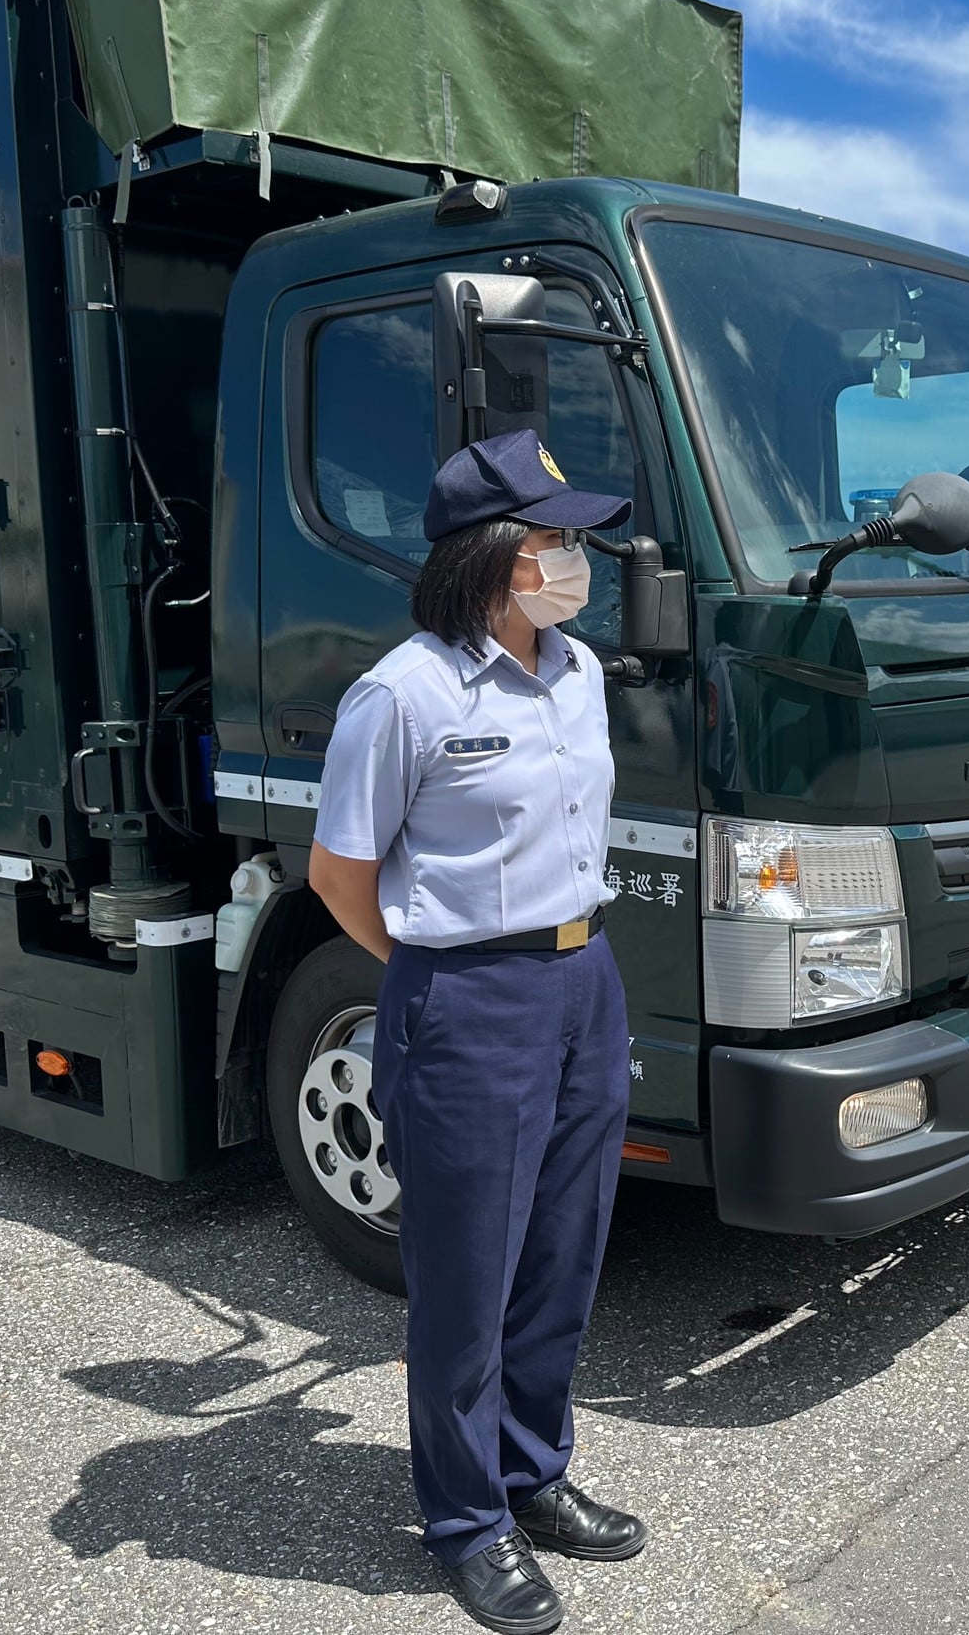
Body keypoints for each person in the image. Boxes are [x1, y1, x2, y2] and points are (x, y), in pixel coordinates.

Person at [308, 428, 645, 1635]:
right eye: (557, 539)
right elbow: (341, 870)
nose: (577, 557)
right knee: (466, 1278)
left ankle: (532, 1472)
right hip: (468, 998)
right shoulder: (405, 693)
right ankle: (466, 1520)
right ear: (497, 554)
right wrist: (433, 968)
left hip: (583, 979)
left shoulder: (579, 671)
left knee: (565, 1248)